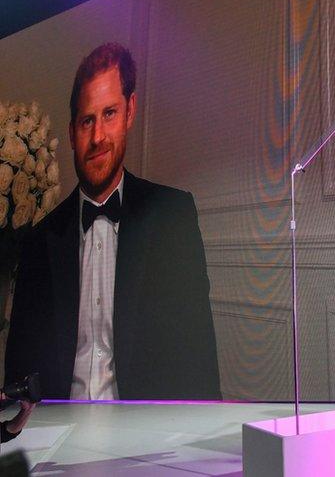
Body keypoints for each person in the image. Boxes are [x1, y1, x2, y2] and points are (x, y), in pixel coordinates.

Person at [5, 43, 220, 400]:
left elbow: (199, 359)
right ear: (72, 131)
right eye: (87, 120)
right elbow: (19, 377)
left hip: (144, 442)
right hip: (62, 441)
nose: (98, 137)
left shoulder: (172, 217)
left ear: (130, 112)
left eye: (109, 114)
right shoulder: (38, 241)